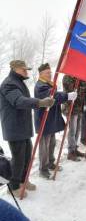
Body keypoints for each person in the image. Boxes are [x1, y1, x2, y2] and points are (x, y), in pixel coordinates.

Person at [0, 60, 54, 198]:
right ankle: (14, 186)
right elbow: (18, 101)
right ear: (15, 69)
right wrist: (40, 102)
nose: (26, 71)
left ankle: (24, 180)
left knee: (27, 156)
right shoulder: (9, 84)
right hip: (14, 128)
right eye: (23, 69)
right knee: (18, 159)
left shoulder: (18, 82)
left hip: (23, 126)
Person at [34, 63, 77, 179]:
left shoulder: (48, 84)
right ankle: (43, 169)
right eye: (47, 73)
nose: (50, 74)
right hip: (44, 119)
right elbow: (53, 97)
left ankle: (51, 163)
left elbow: (55, 95)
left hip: (51, 118)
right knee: (44, 146)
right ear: (41, 74)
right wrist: (67, 96)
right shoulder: (40, 86)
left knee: (52, 143)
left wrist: (65, 96)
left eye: (50, 72)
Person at [62, 75, 85, 162]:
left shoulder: (78, 77)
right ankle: (71, 152)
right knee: (72, 130)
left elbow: (84, 88)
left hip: (78, 107)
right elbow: (71, 91)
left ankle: (75, 148)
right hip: (70, 107)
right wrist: (82, 86)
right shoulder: (67, 77)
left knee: (78, 130)